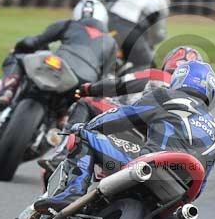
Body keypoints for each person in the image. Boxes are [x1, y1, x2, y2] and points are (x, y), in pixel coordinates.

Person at [34, 60, 215, 219]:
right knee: (177, 209)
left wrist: (87, 126)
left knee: (84, 136)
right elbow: (202, 184)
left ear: (181, 77)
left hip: (150, 163)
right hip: (181, 187)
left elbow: (121, 117)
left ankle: (72, 193)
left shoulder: (166, 96)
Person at [36, 46, 204, 175]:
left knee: (86, 103)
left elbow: (118, 85)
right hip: (159, 149)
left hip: (133, 125)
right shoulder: (199, 108)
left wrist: (89, 88)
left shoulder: (157, 75)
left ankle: (61, 154)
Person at [0, 0, 118, 117]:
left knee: (17, 56)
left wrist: (20, 45)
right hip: (85, 81)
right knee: (87, 101)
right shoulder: (111, 42)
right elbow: (105, 77)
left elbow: (34, 42)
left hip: (61, 65)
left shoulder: (68, 24)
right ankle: (64, 121)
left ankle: (7, 93)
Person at [94, 0, 171, 71]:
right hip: (130, 32)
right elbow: (158, 34)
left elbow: (93, 3)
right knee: (148, 68)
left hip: (103, 26)